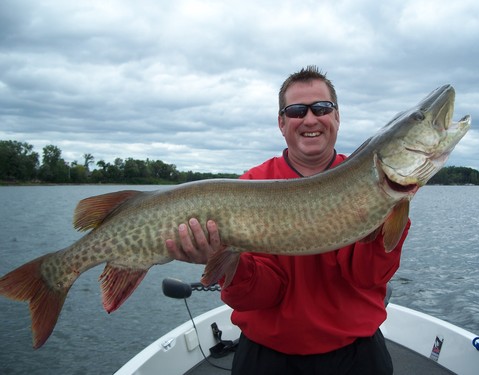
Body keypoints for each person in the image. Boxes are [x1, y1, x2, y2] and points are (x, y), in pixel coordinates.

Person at [165, 65, 411, 375]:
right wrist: (224, 261)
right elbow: (262, 294)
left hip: (356, 358)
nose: (310, 119)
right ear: (282, 123)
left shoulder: (372, 183)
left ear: (337, 117)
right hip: (268, 359)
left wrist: (389, 209)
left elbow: (366, 278)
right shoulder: (251, 184)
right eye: (296, 111)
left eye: (322, 108)